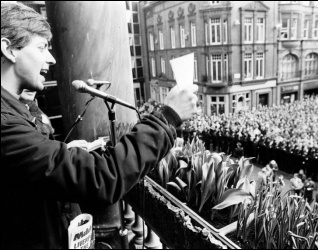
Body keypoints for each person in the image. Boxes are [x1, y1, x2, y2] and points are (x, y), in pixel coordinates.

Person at [1, 3, 198, 249]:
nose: (51, 59)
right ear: (8, 49)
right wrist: (168, 117)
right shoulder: (5, 126)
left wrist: (62, 150)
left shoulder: (14, 112)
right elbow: (102, 178)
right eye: (41, 47)